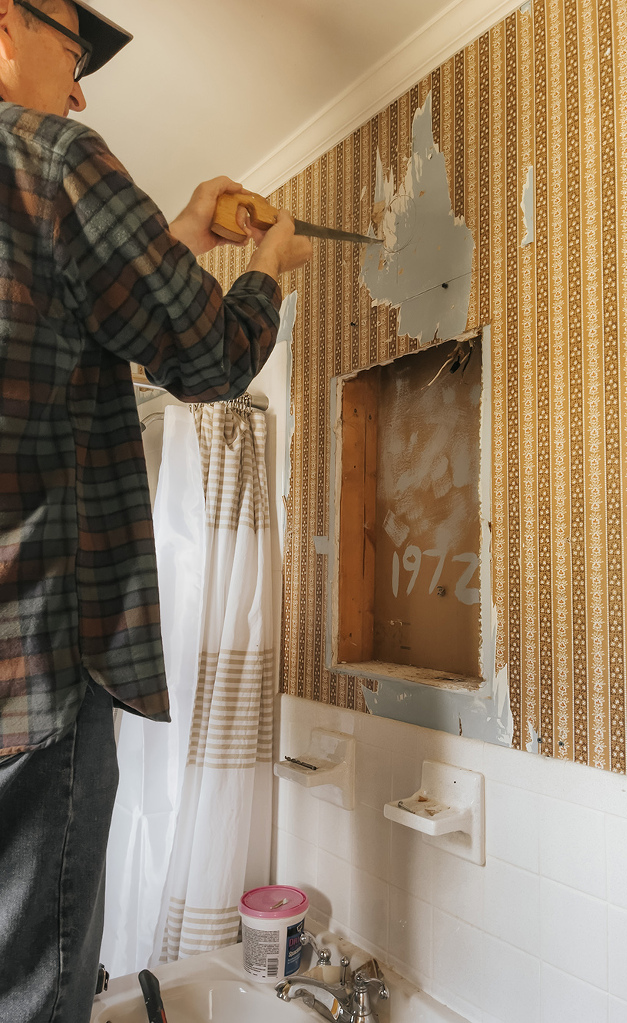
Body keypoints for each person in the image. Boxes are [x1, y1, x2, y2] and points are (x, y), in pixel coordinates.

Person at [0, 1, 313, 1020]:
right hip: (29, 668)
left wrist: (178, 233)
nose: (81, 87)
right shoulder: (49, 157)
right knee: (38, 990)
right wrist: (270, 270)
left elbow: (77, 314)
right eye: (74, 51)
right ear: (9, 23)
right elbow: (211, 361)